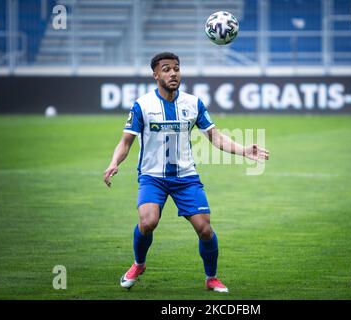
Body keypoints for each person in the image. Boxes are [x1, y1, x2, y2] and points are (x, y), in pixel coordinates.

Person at [103, 52, 269, 293]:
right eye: (167, 69)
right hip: (153, 177)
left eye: (177, 69)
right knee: (148, 222)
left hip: (185, 177)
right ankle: (139, 264)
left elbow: (216, 138)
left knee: (205, 228)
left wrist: (244, 150)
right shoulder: (142, 105)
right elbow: (126, 141)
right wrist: (114, 162)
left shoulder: (193, 103)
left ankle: (211, 278)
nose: (173, 73)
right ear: (156, 75)